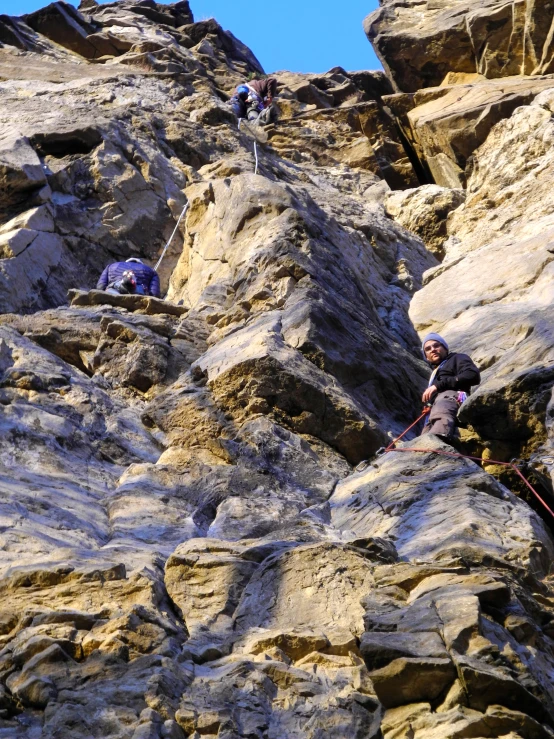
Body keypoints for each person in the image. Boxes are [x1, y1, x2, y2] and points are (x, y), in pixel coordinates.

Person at [420, 332, 480, 442]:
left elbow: (473, 375)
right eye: (428, 349)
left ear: (445, 348)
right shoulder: (435, 373)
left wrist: (438, 386)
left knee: (441, 408)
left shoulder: (457, 358)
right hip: (436, 407)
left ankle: (438, 438)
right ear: (427, 357)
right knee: (425, 435)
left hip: (452, 397)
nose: (433, 349)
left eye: (436, 345)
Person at [96, 258, 161, 298]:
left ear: (126, 262)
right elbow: (154, 293)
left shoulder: (111, 266)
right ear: (141, 264)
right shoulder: (151, 271)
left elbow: (100, 286)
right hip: (138, 291)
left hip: (116, 288)